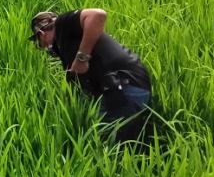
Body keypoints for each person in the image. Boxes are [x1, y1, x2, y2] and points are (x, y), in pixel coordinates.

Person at [29, 9, 153, 143]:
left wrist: (82, 58)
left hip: (125, 89)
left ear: (41, 34)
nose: (45, 48)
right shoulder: (66, 45)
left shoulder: (62, 23)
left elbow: (97, 15)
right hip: (121, 89)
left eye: (40, 44)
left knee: (103, 147)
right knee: (99, 137)